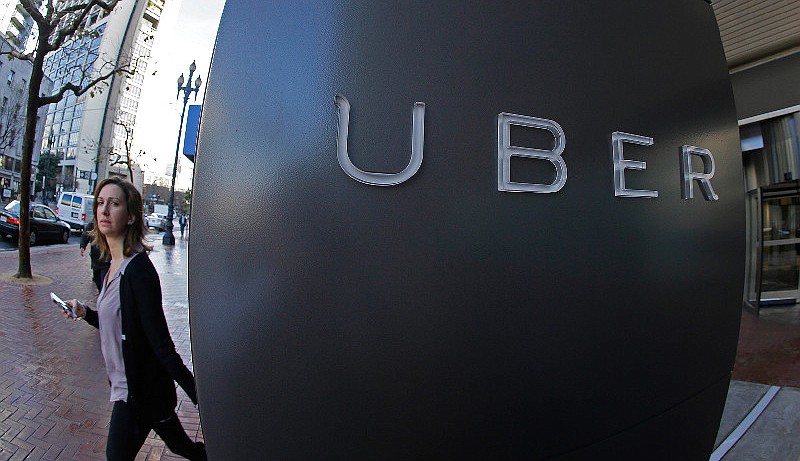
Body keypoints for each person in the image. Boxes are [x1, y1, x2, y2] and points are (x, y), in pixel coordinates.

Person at [64, 177, 207, 461]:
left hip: (141, 394)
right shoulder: (110, 265)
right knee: (184, 448)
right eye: (100, 203)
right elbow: (119, 325)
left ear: (130, 216)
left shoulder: (139, 272)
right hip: (128, 390)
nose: (104, 211)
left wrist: (200, 400)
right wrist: (85, 313)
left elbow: (162, 345)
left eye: (114, 204)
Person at [80, 217, 110, 292]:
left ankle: (102, 295)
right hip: (95, 259)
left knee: (104, 281)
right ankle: (101, 293)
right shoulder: (92, 224)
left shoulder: (108, 224)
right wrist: (82, 246)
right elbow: (85, 234)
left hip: (106, 259)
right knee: (97, 279)